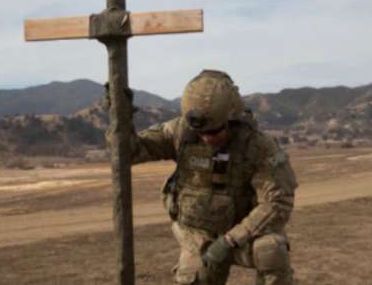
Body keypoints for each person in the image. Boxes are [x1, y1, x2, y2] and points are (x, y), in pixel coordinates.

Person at [123, 70, 298, 285]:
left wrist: (230, 241)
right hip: (197, 235)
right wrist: (121, 120)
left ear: (231, 119)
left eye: (214, 132)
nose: (206, 139)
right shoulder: (180, 132)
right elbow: (128, 153)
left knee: (270, 250)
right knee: (195, 277)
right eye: (201, 134)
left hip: (243, 235)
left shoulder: (257, 146)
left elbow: (276, 203)